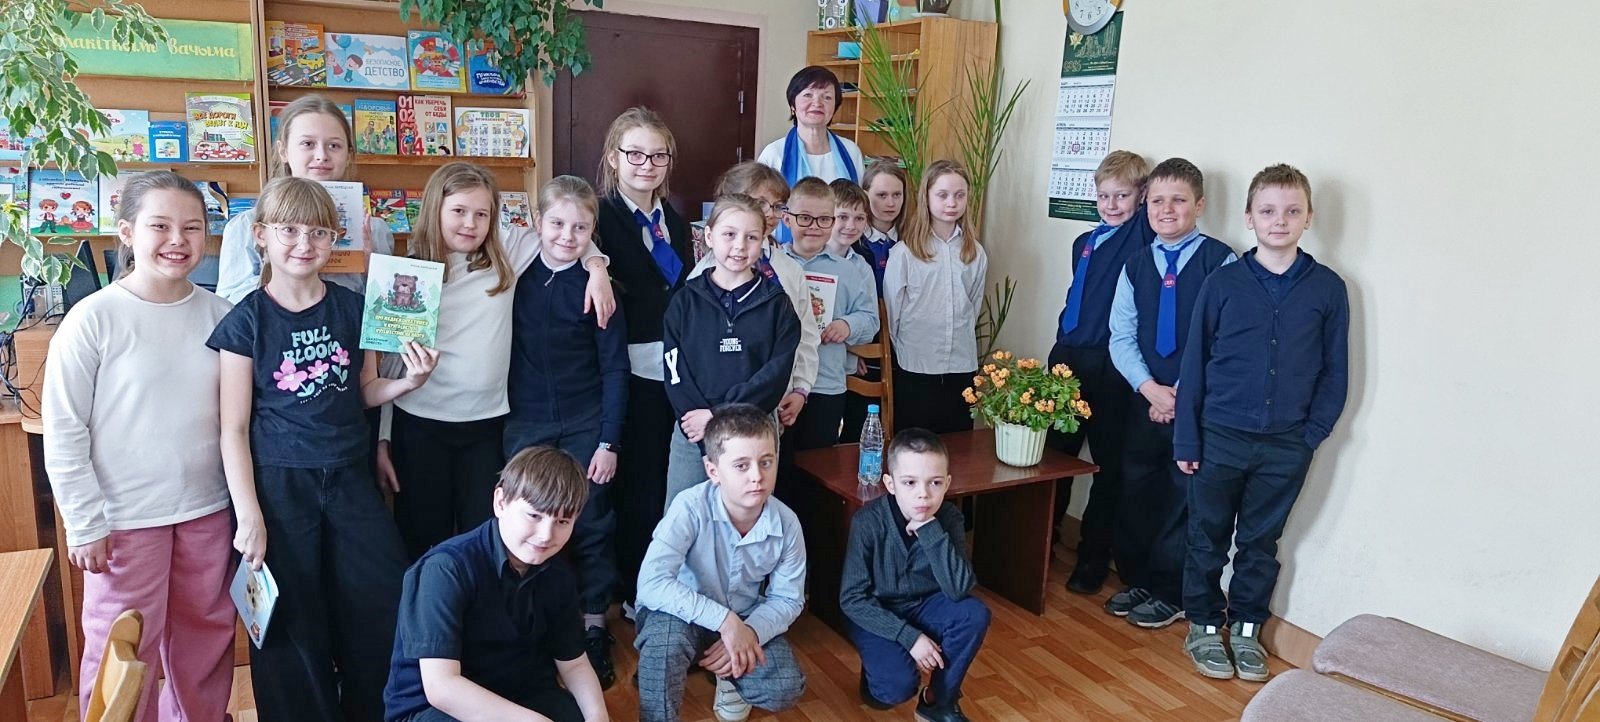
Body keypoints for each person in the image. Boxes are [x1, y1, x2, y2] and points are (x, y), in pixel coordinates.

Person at [208, 176, 439, 720]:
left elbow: (365, 392)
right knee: (291, 621)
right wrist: (249, 515)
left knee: (381, 597)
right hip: (280, 487)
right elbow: (232, 429)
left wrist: (408, 382)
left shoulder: (353, 308)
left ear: (335, 239)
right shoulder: (245, 321)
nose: (303, 243)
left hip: (350, 479)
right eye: (288, 230)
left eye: (318, 232)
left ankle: (375, 710)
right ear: (261, 236)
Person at [44, 172, 236, 722]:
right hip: (124, 522)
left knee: (205, 641)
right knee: (122, 651)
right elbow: (64, 429)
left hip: (206, 510)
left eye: (192, 228)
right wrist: (84, 523)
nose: (178, 240)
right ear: (127, 232)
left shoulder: (222, 315)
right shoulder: (93, 319)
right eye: (160, 226)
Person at [378, 162, 611, 561]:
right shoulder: (409, 273)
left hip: (486, 426)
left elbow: (567, 232)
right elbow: (389, 365)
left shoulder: (507, 251)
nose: (470, 223)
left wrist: (597, 268)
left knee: (484, 538)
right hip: (418, 424)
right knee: (421, 534)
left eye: (482, 214)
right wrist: (383, 438)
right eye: (459, 211)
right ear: (435, 209)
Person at [1176, 164, 1348, 682]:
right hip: (1219, 438)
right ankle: (1204, 624)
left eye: (1292, 211)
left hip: (1285, 445)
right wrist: (1188, 438)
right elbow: (1194, 364)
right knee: (1206, 538)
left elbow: (1335, 371)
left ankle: (1248, 627)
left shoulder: (1328, 289)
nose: (1280, 220)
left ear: (1308, 218)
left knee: (1260, 544)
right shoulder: (1222, 283)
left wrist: (1310, 435)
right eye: (1268, 211)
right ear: (1249, 217)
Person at [503, 175, 629, 689]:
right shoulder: (514, 272)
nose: (567, 236)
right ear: (537, 222)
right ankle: (526, 625)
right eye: (556, 223)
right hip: (524, 420)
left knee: (591, 520)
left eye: (580, 227)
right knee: (526, 521)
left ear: (593, 230)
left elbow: (615, 368)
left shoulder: (601, 288)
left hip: (585, 422)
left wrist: (608, 441)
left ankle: (594, 625)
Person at [383, 447, 611, 722]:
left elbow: (574, 664)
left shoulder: (558, 575)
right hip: (438, 707)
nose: (546, 535)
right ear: (500, 501)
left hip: (519, 692)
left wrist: (598, 717)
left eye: (562, 521)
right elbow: (442, 688)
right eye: (534, 516)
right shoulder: (445, 569)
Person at [1105, 158, 1235, 629]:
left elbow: (1223, 339)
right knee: (1138, 488)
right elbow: (1121, 335)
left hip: (1194, 405)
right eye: (1157, 201)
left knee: (1183, 497)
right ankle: (1139, 578)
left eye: (1178, 200)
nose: (1166, 209)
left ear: (1198, 205)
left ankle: (1171, 590)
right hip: (1144, 398)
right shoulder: (1136, 264)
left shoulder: (1220, 262)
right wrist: (1149, 390)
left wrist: (1179, 395)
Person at [634, 404, 808, 722]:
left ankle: (730, 673)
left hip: (743, 615)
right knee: (664, 649)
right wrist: (726, 622)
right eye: (741, 465)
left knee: (785, 687)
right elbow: (651, 584)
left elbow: (788, 599)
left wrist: (748, 632)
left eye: (766, 462)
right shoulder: (688, 507)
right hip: (678, 614)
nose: (757, 476)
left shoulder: (787, 522)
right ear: (713, 471)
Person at [593, 107, 696, 613]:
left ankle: (659, 579)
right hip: (623, 367)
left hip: (672, 368)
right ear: (614, 158)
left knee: (662, 478)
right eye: (635, 154)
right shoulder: (599, 217)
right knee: (632, 483)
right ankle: (632, 588)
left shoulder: (672, 220)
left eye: (658, 156)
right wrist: (595, 263)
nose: (646, 165)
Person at [1046, 150, 1157, 594]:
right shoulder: (1084, 243)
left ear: (1141, 197)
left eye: (1122, 195)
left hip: (1110, 364)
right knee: (1054, 454)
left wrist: (1145, 198)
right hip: (1068, 356)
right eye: (1104, 195)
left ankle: (1093, 556)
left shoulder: (1140, 236)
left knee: (1107, 462)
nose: (1111, 205)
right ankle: (1044, 537)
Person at [840, 429, 989, 722]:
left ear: (947, 483)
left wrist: (930, 530)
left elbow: (959, 588)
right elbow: (852, 599)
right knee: (893, 689)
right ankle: (877, 670)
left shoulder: (949, 518)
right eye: (910, 482)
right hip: (875, 610)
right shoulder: (867, 522)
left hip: (925, 605)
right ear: (890, 484)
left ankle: (937, 702)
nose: (923, 494)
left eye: (935, 483)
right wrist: (909, 637)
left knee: (974, 614)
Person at [662, 195, 801, 506]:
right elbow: (674, 368)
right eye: (729, 234)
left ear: (763, 241)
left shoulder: (777, 305)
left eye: (751, 237)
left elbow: (775, 376)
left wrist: (718, 416)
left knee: (747, 519)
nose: (739, 246)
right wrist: (702, 423)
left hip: (753, 434)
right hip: (693, 429)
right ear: (709, 236)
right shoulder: (684, 301)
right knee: (683, 517)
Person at [216, 94, 393, 303]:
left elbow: (388, 309)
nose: (321, 156)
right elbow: (229, 306)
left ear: (348, 156)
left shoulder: (374, 229)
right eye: (307, 143)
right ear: (283, 151)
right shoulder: (246, 226)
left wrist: (372, 269)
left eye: (334, 146)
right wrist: (276, 265)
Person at [689, 162, 822, 438]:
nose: (770, 213)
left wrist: (801, 388)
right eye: (760, 202)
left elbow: (807, 334)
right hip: (713, 406)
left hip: (773, 401)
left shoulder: (789, 269)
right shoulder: (706, 273)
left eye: (778, 206)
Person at [775, 176, 878, 522]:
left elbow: (870, 319)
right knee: (777, 471)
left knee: (817, 474)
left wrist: (847, 325)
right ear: (787, 218)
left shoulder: (848, 271)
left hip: (826, 384)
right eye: (805, 218)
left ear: (832, 222)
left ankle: (814, 545)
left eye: (823, 219)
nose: (814, 227)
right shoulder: (772, 264)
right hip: (780, 386)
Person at [884, 160, 987, 434]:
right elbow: (893, 314)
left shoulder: (975, 253)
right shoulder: (905, 252)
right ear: (926, 197)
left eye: (959, 195)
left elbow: (973, 305)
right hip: (916, 364)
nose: (951, 203)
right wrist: (907, 350)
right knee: (915, 444)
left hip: (961, 364)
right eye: (942, 195)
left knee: (958, 444)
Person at [840, 161, 907, 442]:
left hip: (903, 348)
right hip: (861, 346)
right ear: (865, 195)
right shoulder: (851, 244)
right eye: (881, 195)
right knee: (858, 427)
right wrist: (854, 350)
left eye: (897, 195)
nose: (890, 203)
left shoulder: (911, 241)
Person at [756, 65, 865, 187]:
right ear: (792, 105)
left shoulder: (851, 151)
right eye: (808, 95)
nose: (817, 103)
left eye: (827, 97)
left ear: (835, 107)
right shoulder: (774, 154)